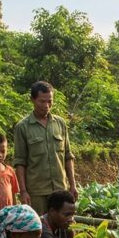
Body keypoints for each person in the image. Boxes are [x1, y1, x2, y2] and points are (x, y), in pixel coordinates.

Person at [13, 81, 77, 215]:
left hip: (60, 189)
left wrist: (73, 185)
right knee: (40, 229)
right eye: (42, 101)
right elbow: (20, 162)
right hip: (37, 192)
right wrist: (23, 191)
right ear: (33, 100)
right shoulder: (22, 127)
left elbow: (67, 156)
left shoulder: (60, 123)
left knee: (66, 227)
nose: (46, 106)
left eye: (50, 101)